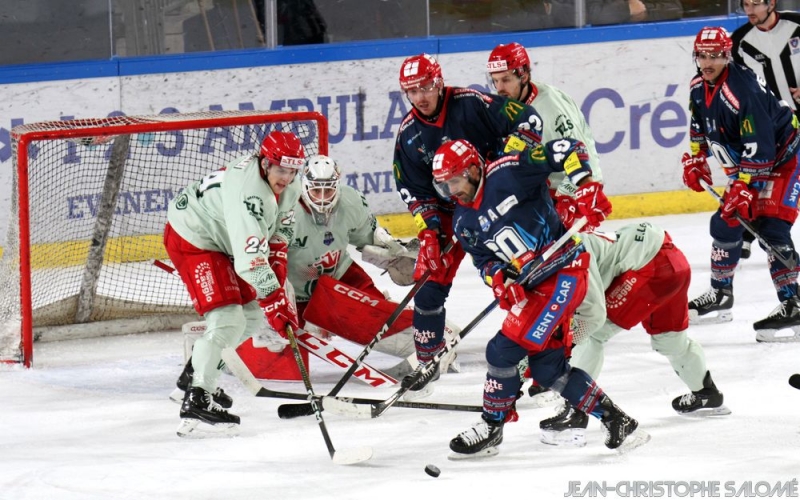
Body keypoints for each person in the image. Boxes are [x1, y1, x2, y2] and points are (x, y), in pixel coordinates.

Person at [431, 138, 645, 458]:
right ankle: (617, 420)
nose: (452, 191)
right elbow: (486, 262)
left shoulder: (509, 172)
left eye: (455, 181)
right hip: (535, 287)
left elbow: (567, 148)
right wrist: (502, 281)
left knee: (502, 350)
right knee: (549, 370)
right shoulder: (464, 222)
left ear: (474, 170)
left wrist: (586, 186)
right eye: (444, 186)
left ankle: (492, 425)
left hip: (565, 272)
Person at [392, 53, 545, 399]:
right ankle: (428, 361)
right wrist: (430, 231)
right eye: (411, 91)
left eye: (426, 87)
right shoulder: (409, 135)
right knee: (429, 282)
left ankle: (538, 358)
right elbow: (413, 192)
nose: (420, 97)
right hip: (449, 212)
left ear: (439, 81)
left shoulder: (471, 104)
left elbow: (529, 123)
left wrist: (505, 167)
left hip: (493, 201)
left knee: (522, 280)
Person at [535, 217, 729, 447]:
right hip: (674, 262)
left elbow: (592, 312)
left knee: (592, 335)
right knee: (670, 340)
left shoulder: (571, 256)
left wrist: (567, 341)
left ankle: (575, 412)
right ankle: (707, 393)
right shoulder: (568, 245)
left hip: (650, 269)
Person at [164, 130, 305, 437]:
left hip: (224, 241)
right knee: (227, 317)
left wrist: (278, 259)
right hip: (194, 238)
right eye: (281, 169)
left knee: (252, 315)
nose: (287, 177)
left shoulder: (288, 184)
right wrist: (276, 300)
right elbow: (251, 262)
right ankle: (197, 397)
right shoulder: (249, 194)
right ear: (265, 163)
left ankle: (197, 373)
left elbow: (284, 225)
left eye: (294, 170)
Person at [485, 41, 604, 402]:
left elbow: (581, 156)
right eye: (495, 81)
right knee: (531, 296)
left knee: (592, 311)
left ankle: (539, 361)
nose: (500, 88)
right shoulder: (499, 110)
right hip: (524, 220)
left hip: (559, 219)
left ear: (525, 75)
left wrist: (575, 197)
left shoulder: (550, 106)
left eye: (506, 79)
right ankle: (532, 359)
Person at [282, 154, 459, 377]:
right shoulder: (284, 210)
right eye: (317, 191)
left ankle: (434, 332)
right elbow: (268, 261)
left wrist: (393, 253)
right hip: (295, 290)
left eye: (328, 190)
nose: (323, 198)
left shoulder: (350, 201)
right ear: (303, 186)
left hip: (340, 272)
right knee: (280, 335)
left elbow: (370, 236)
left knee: (378, 320)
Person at [682, 27, 800, 342]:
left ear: (727, 55)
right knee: (724, 224)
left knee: (772, 229)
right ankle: (721, 295)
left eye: (716, 56)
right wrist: (696, 158)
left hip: (784, 159)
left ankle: (794, 303)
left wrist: (745, 188)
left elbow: (760, 148)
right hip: (751, 167)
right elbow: (698, 125)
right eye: (703, 55)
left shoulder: (741, 90)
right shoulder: (698, 86)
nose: (708, 62)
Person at [731, 0, 800, 259]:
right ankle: (750, 233)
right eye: (745, 4)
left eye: (756, 4)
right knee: (759, 175)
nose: (750, 10)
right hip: (773, 126)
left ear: (771, 3)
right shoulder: (739, 41)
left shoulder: (796, 25)